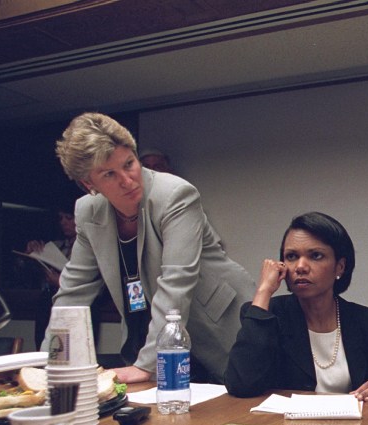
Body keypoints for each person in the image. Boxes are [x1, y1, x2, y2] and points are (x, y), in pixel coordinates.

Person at [46, 112, 255, 384]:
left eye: (129, 164)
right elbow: (73, 293)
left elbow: (176, 283)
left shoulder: (175, 194)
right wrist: (50, 365)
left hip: (218, 323)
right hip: (156, 333)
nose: (127, 180)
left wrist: (147, 364)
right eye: (109, 174)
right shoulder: (87, 211)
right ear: (89, 184)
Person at [224, 212, 368, 401]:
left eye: (315, 256)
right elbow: (241, 385)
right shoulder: (266, 315)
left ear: (340, 267)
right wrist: (263, 290)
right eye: (291, 256)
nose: (300, 266)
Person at [23, 201, 76, 348]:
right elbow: (31, 275)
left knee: (66, 350)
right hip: (47, 300)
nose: (64, 223)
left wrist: (61, 282)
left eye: (69, 218)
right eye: (61, 219)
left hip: (73, 305)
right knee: (43, 345)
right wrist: (32, 256)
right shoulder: (55, 246)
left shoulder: (88, 250)